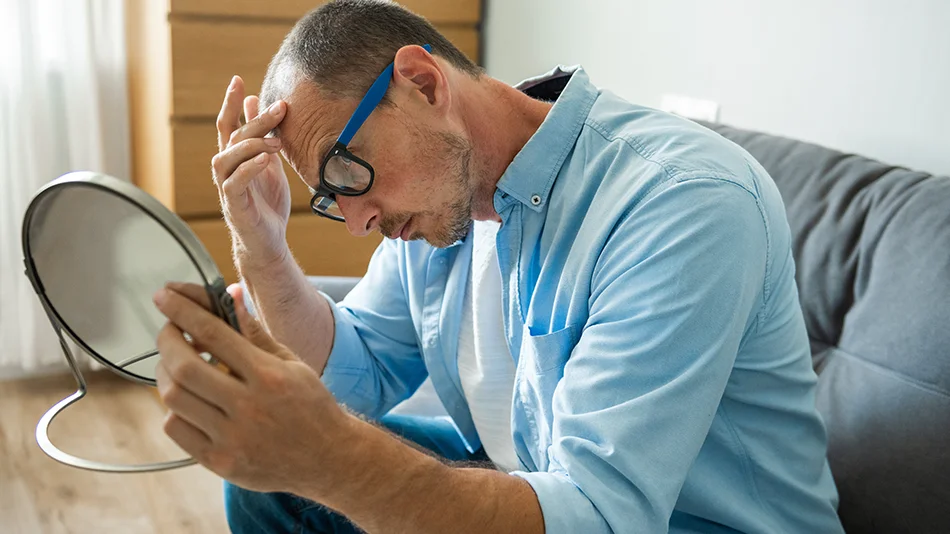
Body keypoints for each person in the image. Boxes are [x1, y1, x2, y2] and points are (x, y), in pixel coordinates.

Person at [150, 1, 845, 532]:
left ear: (422, 83)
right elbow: (355, 370)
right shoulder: (443, 202)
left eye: (347, 170)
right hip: (537, 476)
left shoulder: (680, 201)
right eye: (331, 197)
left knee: (318, 470)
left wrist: (332, 459)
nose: (358, 223)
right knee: (273, 488)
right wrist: (263, 245)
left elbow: (601, 517)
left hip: (668, 521)